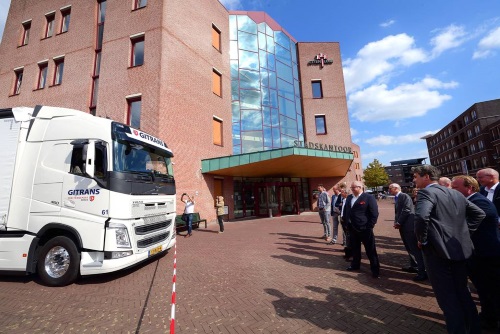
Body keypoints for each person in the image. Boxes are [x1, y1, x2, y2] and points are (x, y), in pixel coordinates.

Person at [413, 165, 484, 334]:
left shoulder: (426, 193)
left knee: (447, 296)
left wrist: (422, 239)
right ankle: (474, 329)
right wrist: (463, 233)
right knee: (463, 292)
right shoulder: (454, 193)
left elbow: (422, 217)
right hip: (460, 250)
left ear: (427, 177)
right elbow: (479, 214)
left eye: (416, 176)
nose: (414, 180)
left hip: (438, 252)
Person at [451, 175, 500, 330]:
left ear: (469, 188)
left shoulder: (479, 202)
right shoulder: (471, 201)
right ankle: (488, 318)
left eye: (456, 187)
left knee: (493, 291)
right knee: (484, 290)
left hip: (487, 256)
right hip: (478, 256)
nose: (452, 190)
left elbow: (464, 226)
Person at [388, 183, 427, 281]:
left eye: (390, 188)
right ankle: (413, 266)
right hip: (403, 226)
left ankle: (422, 272)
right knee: (409, 247)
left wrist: (399, 222)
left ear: (396, 188)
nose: (389, 190)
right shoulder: (398, 197)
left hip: (408, 226)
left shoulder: (404, 196)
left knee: (414, 249)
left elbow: (407, 210)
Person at [342, 181, 380, 278]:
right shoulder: (350, 197)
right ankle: (355, 265)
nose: (352, 189)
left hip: (365, 228)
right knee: (355, 248)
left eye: (353, 187)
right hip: (352, 228)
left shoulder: (368, 198)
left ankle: (375, 269)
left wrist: (369, 226)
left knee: (370, 250)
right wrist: (346, 223)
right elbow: (347, 211)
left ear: (360, 187)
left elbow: (374, 213)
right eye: (351, 188)